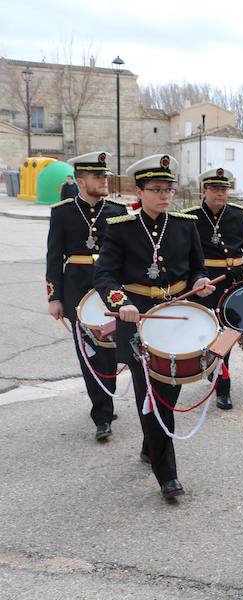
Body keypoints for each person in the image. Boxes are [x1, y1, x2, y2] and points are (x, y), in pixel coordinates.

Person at [94, 154, 214, 500]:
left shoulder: (184, 225)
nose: (165, 195)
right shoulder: (120, 228)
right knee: (153, 395)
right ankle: (168, 475)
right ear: (139, 190)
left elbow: (197, 268)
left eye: (168, 189)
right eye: (157, 189)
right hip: (137, 318)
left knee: (169, 393)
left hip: (177, 314)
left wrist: (202, 281)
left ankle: (151, 445)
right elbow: (104, 274)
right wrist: (121, 303)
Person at [46, 151, 129, 440]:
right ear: (81, 181)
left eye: (105, 176)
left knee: (112, 350)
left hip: (110, 292)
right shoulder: (62, 212)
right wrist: (54, 297)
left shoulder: (118, 211)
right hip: (76, 290)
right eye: (98, 177)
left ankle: (106, 396)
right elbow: (54, 258)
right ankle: (101, 415)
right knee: (89, 353)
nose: (104, 181)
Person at [183, 168, 243, 410]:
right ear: (204, 190)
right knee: (209, 331)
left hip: (234, 281)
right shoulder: (190, 218)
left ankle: (223, 386)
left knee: (228, 332)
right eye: (214, 189)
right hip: (205, 282)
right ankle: (215, 369)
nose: (220, 194)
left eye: (224, 189)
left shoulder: (238, 215)